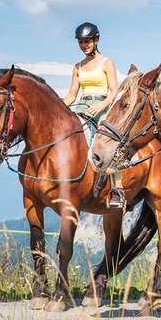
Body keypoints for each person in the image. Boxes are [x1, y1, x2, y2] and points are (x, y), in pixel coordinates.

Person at [63, 22, 126, 208]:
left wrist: (102, 106)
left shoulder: (107, 62)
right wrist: (57, 106)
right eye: (81, 42)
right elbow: (71, 95)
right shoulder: (77, 67)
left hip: (103, 108)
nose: (84, 46)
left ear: (96, 40)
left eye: (87, 42)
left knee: (113, 142)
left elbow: (114, 91)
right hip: (81, 107)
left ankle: (118, 189)